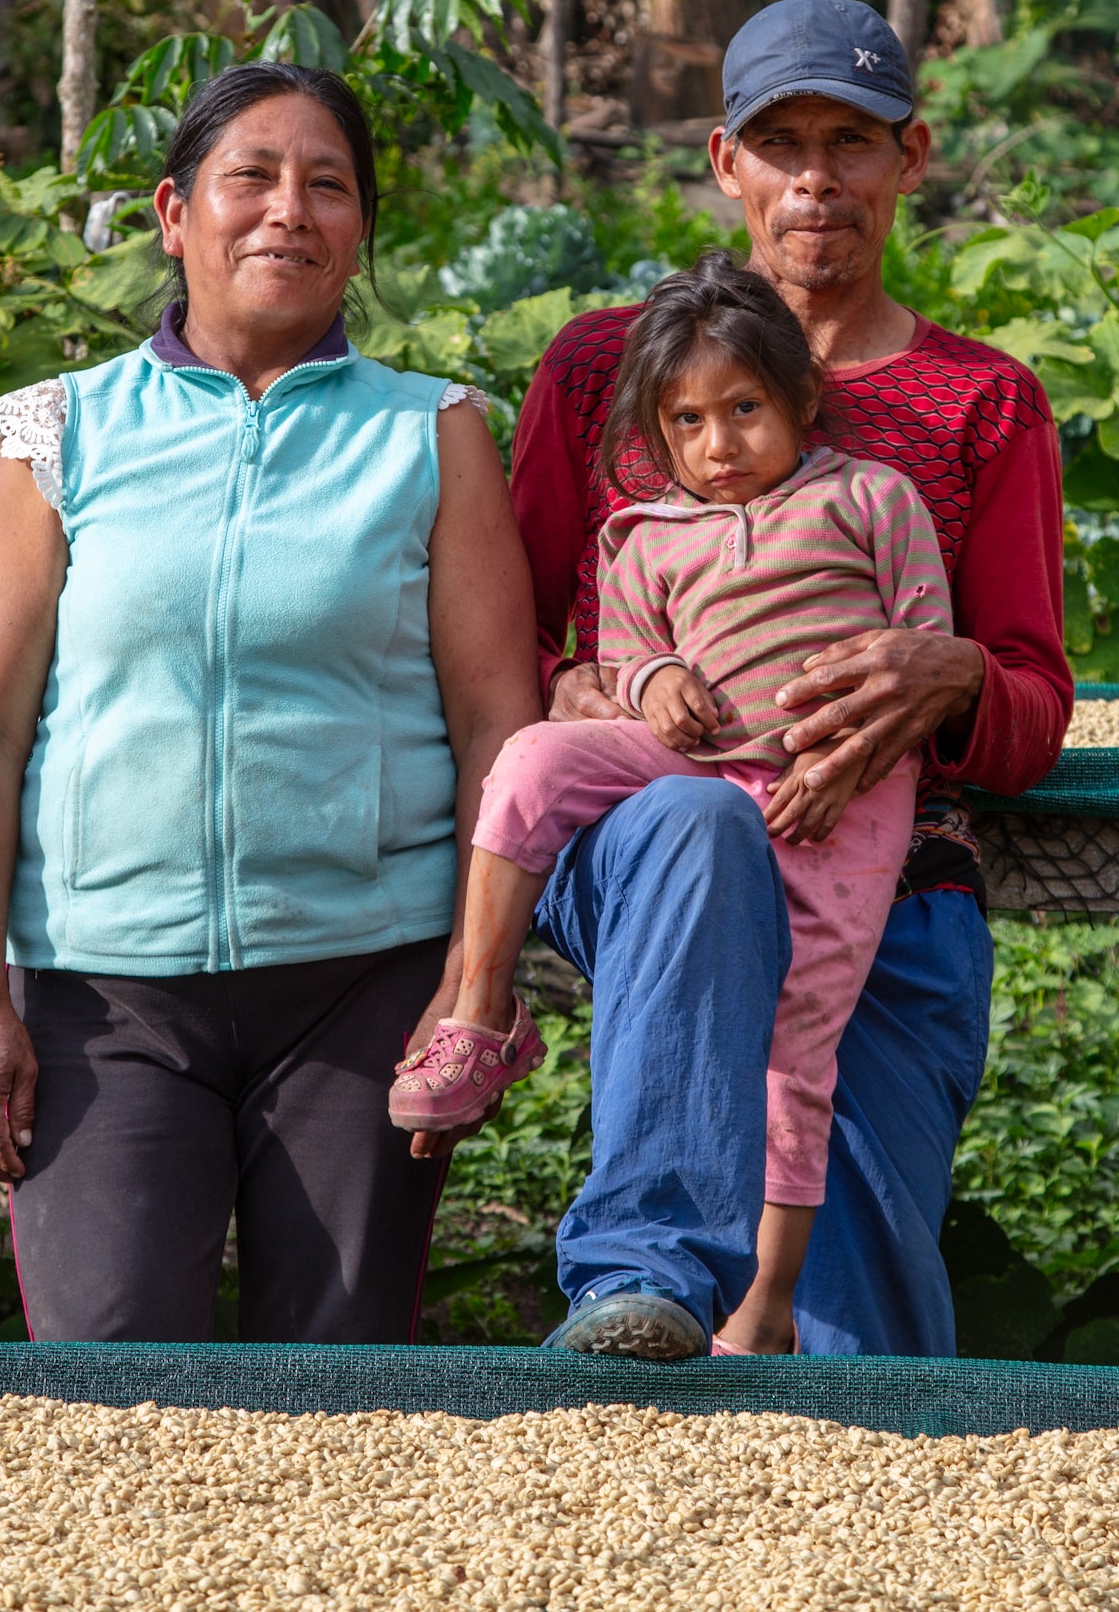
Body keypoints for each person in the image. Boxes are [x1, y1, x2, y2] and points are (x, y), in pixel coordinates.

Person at [0, 61, 539, 1344]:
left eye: (327, 185)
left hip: (362, 983)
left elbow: (500, 725)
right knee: (107, 1376)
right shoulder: (60, 433)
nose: (287, 211)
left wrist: (473, 977)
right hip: (105, 992)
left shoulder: (431, 433)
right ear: (172, 210)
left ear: (361, 228)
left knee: (337, 1386)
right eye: (248, 176)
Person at [503, 0, 1072, 1357]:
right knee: (661, 1350)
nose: (816, 180)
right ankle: (637, 1297)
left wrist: (947, 679)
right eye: (780, 143)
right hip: (660, 857)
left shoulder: (980, 402)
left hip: (887, 887)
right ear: (724, 163)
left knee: (855, 1340)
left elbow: (1033, 702)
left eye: (852, 142)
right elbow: (501, 642)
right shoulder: (606, 370)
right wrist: (581, 687)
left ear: (910, 158)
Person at [391, 252, 952, 1357]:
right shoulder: (640, 534)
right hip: (693, 768)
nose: (717, 444)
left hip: (826, 795)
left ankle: (761, 1310)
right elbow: (626, 649)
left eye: (743, 410)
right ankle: (477, 1004)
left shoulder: (869, 498)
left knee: (795, 1042)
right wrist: (651, 683)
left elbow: (923, 650)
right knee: (535, 759)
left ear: (796, 402)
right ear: (655, 434)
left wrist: (854, 748)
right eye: (686, 421)